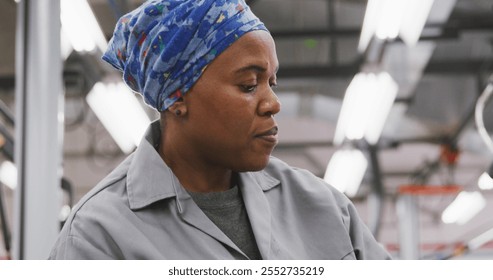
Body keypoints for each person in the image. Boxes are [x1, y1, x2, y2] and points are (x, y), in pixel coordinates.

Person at [49, 0, 391, 260]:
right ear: (176, 97)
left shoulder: (324, 208)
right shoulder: (98, 237)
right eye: (248, 85)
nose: (273, 103)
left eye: (271, 82)